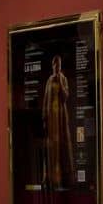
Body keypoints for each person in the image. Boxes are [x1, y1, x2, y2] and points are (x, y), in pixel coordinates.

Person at [42, 55, 74, 190]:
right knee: (51, 149)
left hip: (60, 118)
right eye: (55, 65)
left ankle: (63, 181)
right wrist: (44, 117)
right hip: (51, 119)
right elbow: (45, 99)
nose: (57, 67)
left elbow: (66, 96)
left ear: (60, 66)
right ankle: (50, 180)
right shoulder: (49, 80)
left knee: (62, 147)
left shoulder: (64, 79)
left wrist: (60, 82)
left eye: (59, 65)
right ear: (52, 65)